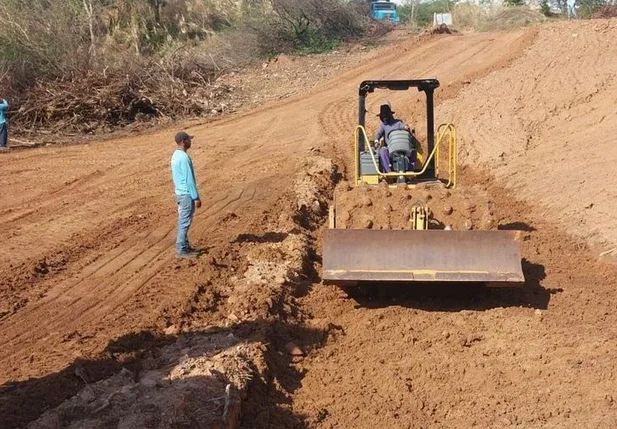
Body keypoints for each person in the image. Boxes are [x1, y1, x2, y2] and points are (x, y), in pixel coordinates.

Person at [171, 131, 202, 259]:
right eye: (189, 139)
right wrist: (196, 197)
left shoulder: (176, 155)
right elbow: (189, 180)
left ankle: (185, 246)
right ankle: (181, 250)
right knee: (184, 222)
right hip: (186, 195)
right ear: (183, 142)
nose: (191, 141)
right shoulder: (184, 158)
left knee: (183, 221)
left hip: (179, 193)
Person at [373, 102, 410, 173]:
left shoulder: (398, 123)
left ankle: (410, 171)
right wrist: (376, 140)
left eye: (386, 116)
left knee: (413, 152)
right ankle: (389, 173)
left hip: (402, 146)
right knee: (382, 151)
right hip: (389, 148)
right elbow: (379, 133)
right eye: (383, 117)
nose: (385, 118)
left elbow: (403, 126)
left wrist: (406, 127)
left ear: (390, 115)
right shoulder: (383, 126)